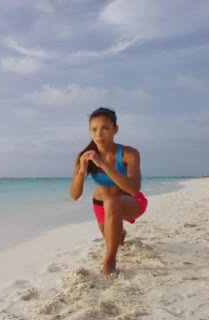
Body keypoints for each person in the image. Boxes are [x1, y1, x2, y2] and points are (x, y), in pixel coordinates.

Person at [69, 107, 148, 277]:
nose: (99, 134)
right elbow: (74, 196)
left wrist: (102, 164)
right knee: (114, 240)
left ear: (115, 130)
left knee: (112, 201)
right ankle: (120, 233)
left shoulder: (129, 153)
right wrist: (82, 172)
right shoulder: (84, 156)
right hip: (100, 206)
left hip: (130, 202)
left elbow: (134, 188)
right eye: (94, 129)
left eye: (105, 128)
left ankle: (109, 262)